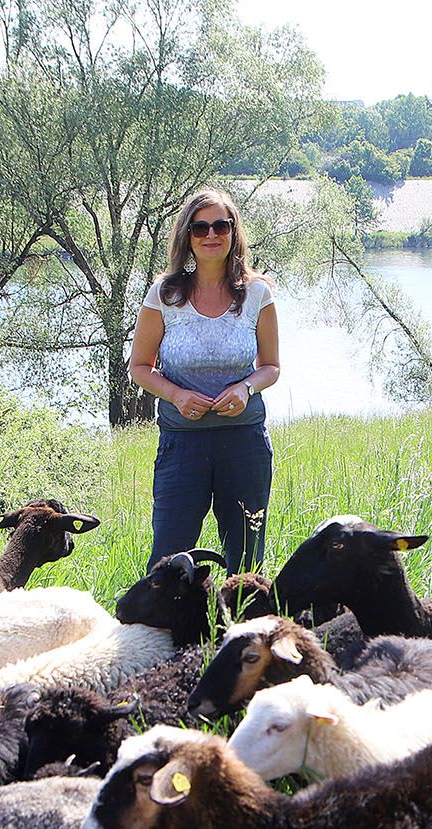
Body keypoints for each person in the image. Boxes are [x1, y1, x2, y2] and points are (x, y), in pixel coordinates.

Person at [128, 188, 281, 572]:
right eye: (200, 228)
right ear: (187, 236)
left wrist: (246, 388)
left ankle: (239, 631)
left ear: (234, 233)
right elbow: (140, 367)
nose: (211, 235)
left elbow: (271, 366)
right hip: (182, 445)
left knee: (246, 563)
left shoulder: (257, 294)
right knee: (167, 560)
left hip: (244, 444)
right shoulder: (164, 294)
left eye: (220, 226)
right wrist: (177, 395)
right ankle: (163, 632)